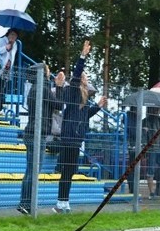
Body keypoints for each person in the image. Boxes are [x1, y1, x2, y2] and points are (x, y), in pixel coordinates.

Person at [53, 40, 108, 213]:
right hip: (69, 136)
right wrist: (83, 56)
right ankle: (60, 202)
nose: (85, 78)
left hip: (77, 138)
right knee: (66, 171)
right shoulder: (73, 90)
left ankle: (64, 202)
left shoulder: (83, 99)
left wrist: (98, 106)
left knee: (70, 171)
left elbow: (85, 115)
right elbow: (76, 74)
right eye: (84, 76)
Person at [17, 64, 65, 215]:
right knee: (33, 170)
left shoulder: (34, 88)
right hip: (37, 134)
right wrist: (59, 87)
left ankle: (26, 203)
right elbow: (59, 105)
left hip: (32, 132)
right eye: (48, 70)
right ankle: (26, 203)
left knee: (30, 170)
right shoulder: (43, 88)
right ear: (43, 73)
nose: (50, 72)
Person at [0, 28, 20, 115]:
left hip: (6, 70)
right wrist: (5, 48)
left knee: (1, 89)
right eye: (11, 34)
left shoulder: (15, 45)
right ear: (8, 34)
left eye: (15, 35)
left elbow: (12, 56)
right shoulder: (0, 41)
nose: (13, 37)